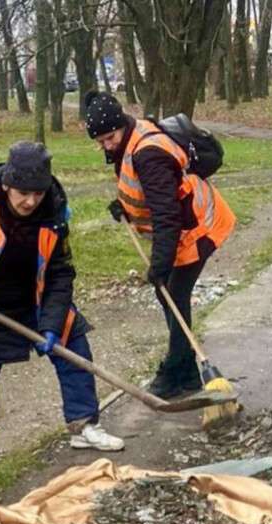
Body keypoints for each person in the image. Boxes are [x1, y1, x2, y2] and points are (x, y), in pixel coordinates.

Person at [0, 141, 124, 475]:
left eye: (37, 193)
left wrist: (52, 323)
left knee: (74, 346)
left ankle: (84, 425)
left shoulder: (54, 208)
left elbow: (61, 271)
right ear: (7, 184)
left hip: (37, 297)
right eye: (23, 193)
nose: (31, 201)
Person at [83, 91, 236, 399]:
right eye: (99, 141)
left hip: (197, 227)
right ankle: (188, 374)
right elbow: (147, 192)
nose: (106, 146)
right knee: (169, 293)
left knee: (174, 293)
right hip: (181, 227)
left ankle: (175, 372)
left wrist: (159, 264)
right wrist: (124, 206)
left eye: (109, 138)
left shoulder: (147, 154)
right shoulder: (130, 139)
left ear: (121, 126)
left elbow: (167, 215)